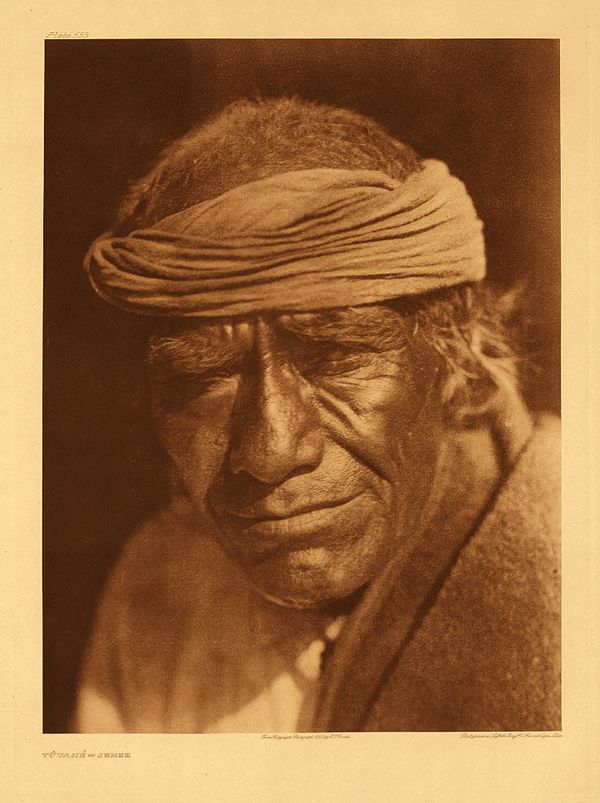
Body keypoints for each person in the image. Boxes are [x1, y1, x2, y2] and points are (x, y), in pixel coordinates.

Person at [74, 97, 560, 733]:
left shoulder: (572, 570)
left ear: (459, 360)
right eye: (203, 377)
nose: (272, 449)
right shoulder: (164, 587)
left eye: (335, 357)